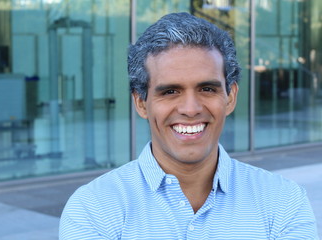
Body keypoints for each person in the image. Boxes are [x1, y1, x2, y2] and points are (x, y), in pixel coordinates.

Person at [59, 12, 318, 239]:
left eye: (207, 88)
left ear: (230, 97)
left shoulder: (283, 202)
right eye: (170, 91)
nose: (191, 109)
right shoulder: (94, 209)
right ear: (141, 103)